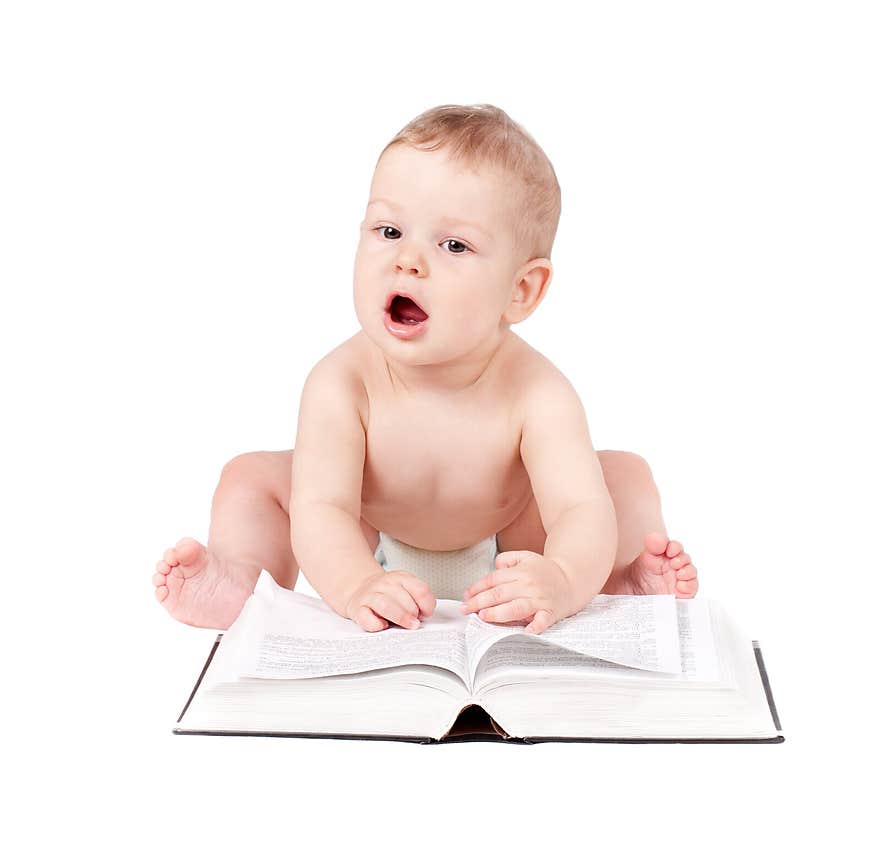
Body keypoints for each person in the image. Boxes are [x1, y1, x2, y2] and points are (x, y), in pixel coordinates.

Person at [153, 103, 698, 635]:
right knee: (251, 477)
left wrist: (561, 576)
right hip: (369, 537)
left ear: (521, 289)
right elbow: (322, 508)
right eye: (389, 231)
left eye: (454, 244)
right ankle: (246, 580)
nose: (407, 260)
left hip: (514, 545)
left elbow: (578, 509)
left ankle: (619, 584)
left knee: (621, 478)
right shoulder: (342, 382)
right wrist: (354, 584)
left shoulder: (539, 391)